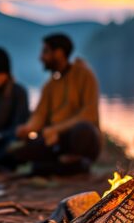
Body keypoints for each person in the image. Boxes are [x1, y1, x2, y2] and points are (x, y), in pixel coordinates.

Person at [7, 33, 102, 175]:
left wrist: (57, 129)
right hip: (57, 141)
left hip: (82, 140)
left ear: (59, 53)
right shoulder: (49, 86)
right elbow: (40, 114)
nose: (41, 57)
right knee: (21, 150)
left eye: (45, 52)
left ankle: (72, 162)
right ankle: (69, 166)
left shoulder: (85, 75)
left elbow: (89, 114)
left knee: (83, 130)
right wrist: (28, 128)